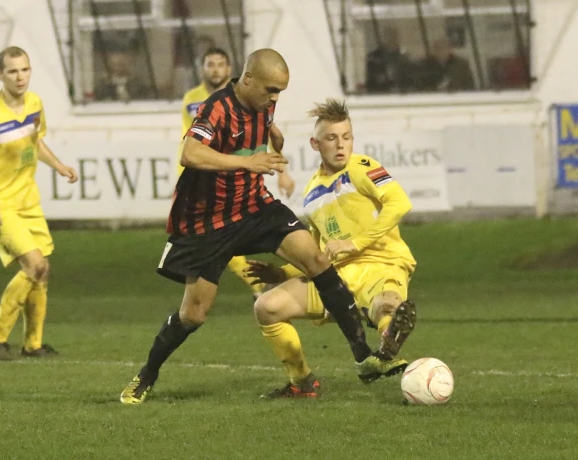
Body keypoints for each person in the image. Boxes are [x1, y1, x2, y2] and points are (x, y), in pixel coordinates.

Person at [120, 49, 401, 405]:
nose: (275, 97)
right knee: (194, 314)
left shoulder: (263, 102)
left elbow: (264, 126)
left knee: (316, 259)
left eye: (280, 92)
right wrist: (247, 161)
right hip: (209, 221)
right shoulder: (215, 108)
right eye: (271, 89)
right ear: (247, 79)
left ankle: (364, 357)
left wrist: (274, 139)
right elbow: (189, 153)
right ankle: (147, 375)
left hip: (254, 207)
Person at [247, 98, 416, 398]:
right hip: (337, 277)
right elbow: (316, 251)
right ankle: (301, 382)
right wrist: (281, 272)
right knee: (267, 307)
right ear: (315, 144)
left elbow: (399, 203)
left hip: (382, 262)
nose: (341, 145)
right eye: (332, 138)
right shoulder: (311, 192)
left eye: (347, 137)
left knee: (384, 304)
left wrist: (355, 243)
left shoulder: (362, 167)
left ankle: (390, 336)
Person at [0, 46, 78, 361]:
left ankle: (33, 346)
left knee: (42, 271)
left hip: (28, 201)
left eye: (24, 69)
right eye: (12, 71)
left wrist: (60, 166)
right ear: (0, 75)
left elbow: (35, 142)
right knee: (35, 265)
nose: (19, 76)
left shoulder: (35, 104)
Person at [178, 47, 296, 300]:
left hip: (238, 175)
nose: (216, 70)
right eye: (210, 65)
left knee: (229, 231)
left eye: (220, 64)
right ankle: (255, 285)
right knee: (216, 236)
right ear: (203, 69)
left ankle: (261, 284)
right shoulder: (196, 100)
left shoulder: (257, 97)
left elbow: (265, 128)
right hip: (206, 177)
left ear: (232, 69)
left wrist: (282, 171)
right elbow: (194, 144)